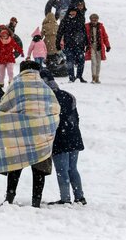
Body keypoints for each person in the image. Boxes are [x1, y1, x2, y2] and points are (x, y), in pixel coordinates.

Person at [3, 61, 56, 208]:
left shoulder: (16, 85)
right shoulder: (44, 87)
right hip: (41, 133)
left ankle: (9, 198)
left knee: (15, 167)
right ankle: (36, 201)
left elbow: (4, 106)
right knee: (39, 169)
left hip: (20, 134)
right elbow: (55, 107)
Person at [40, 69, 86, 206]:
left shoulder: (47, 99)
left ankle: (65, 199)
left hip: (60, 138)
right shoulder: (68, 96)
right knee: (73, 168)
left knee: (62, 170)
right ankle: (80, 197)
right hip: (74, 136)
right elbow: (75, 118)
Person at [56, 8, 88, 83]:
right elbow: (59, 33)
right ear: (69, 12)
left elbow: (84, 33)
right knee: (70, 61)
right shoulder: (65, 21)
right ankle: (71, 77)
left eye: (74, 11)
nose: (73, 13)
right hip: (68, 45)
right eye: (71, 11)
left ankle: (79, 76)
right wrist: (57, 43)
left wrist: (87, 43)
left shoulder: (80, 20)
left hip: (79, 45)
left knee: (81, 61)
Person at [84, 13, 111, 84]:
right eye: (92, 19)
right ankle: (93, 77)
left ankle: (97, 78)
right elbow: (84, 37)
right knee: (93, 62)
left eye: (95, 19)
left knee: (98, 62)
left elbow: (105, 36)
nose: (94, 21)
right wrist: (84, 45)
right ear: (90, 20)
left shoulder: (101, 27)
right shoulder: (87, 26)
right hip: (91, 46)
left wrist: (107, 45)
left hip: (99, 46)